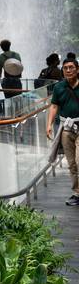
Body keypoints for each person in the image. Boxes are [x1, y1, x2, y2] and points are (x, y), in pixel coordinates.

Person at [46, 56, 79, 206]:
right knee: (71, 163)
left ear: (77, 69)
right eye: (65, 68)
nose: (68, 70)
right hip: (66, 128)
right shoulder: (59, 87)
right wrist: (49, 125)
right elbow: (54, 106)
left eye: (71, 67)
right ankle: (77, 192)